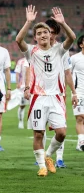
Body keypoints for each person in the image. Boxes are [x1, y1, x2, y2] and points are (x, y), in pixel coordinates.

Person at [16, 5, 77, 177]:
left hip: (57, 97)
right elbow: (19, 40)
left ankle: (48, 156)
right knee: (38, 133)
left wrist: (63, 23)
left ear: (50, 35)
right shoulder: (32, 52)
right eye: (39, 34)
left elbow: (72, 37)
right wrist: (29, 22)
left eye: (46, 32)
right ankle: (42, 166)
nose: (43, 35)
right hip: (38, 98)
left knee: (62, 133)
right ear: (35, 38)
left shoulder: (59, 50)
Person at [43, 19, 76, 168]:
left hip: (59, 94)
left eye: (50, 32)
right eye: (45, 31)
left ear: (55, 34)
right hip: (40, 94)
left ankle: (58, 158)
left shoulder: (62, 49)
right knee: (40, 128)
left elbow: (67, 73)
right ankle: (41, 157)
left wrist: (73, 93)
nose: (47, 35)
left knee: (61, 128)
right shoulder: (37, 49)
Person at [70, 35, 84, 152]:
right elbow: (68, 74)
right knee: (80, 117)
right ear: (81, 45)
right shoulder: (74, 58)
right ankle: (81, 141)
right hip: (78, 91)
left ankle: (79, 142)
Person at [14, 57, 29, 129]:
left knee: (35, 105)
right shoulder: (21, 61)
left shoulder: (36, 58)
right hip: (23, 87)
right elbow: (17, 73)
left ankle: (33, 122)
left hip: (34, 87)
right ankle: (20, 121)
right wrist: (17, 83)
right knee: (22, 105)